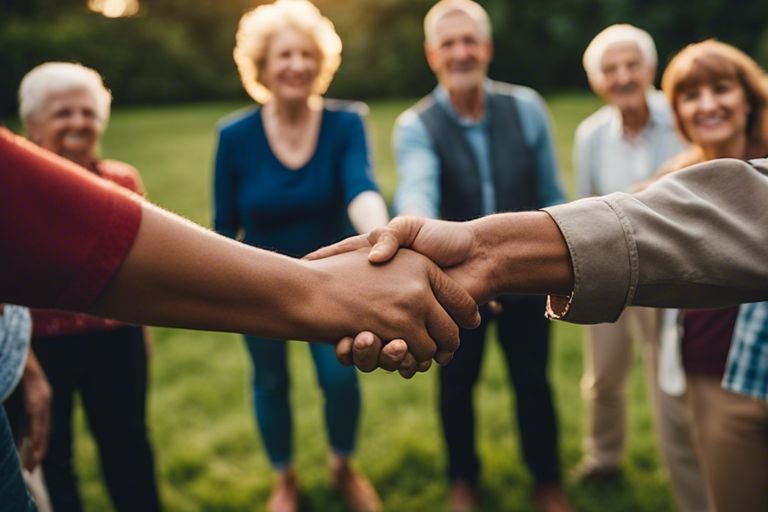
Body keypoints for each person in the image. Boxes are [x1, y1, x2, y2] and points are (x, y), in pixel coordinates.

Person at [391, 1, 570, 511]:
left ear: (487, 48)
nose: (461, 52)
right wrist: (416, 227)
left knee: (533, 381)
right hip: (454, 283)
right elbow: (417, 191)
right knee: (456, 383)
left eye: (469, 40)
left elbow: (552, 193)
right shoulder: (415, 125)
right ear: (432, 55)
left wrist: (561, 262)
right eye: (448, 44)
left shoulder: (527, 107)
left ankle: (547, 482)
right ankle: (462, 481)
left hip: (528, 275)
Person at [215, 2, 389, 511]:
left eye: (307, 54)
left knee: (340, 380)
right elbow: (224, 225)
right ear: (263, 66)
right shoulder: (233, 136)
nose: (297, 65)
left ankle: (342, 466)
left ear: (321, 62)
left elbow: (361, 186)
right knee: (270, 382)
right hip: (258, 282)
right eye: (284, 55)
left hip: (333, 280)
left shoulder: (346, 122)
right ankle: (284, 478)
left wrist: (380, 232)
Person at [573, 25, 708, 511]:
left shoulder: (680, 118)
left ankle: (692, 486)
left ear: (650, 69)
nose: (623, 76)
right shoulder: (590, 135)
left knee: (669, 382)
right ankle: (603, 457)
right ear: (597, 81)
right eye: (611, 69)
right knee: (603, 375)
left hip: (672, 271)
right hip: (610, 270)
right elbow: (585, 207)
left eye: (632, 65)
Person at [16, 61, 161, 512]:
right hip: (39, 348)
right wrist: (24, 365)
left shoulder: (122, 180)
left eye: (88, 112)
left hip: (116, 340)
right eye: (63, 113)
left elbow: (142, 273)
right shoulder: (15, 190)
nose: (79, 122)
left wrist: (143, 337)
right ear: (33, 125)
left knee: (129, 447)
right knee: (50, 455)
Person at [653, 40, 768, 512]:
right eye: (691, 95)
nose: (708, 105)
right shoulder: (671, 183)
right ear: (678, 112)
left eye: (721, 89)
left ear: (748, 99)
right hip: (715, 375)